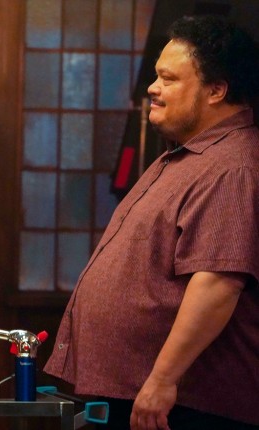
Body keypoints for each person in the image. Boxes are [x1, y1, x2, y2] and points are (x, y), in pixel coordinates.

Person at [44, 15, 259, 430]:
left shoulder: (233, 167)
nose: (152, 88)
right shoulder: (189, 155)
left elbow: (217, 284)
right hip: (139, 395)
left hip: (185, 406)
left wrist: (162, 380)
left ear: (216, 90)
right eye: (157, 76)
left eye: (168, 79)